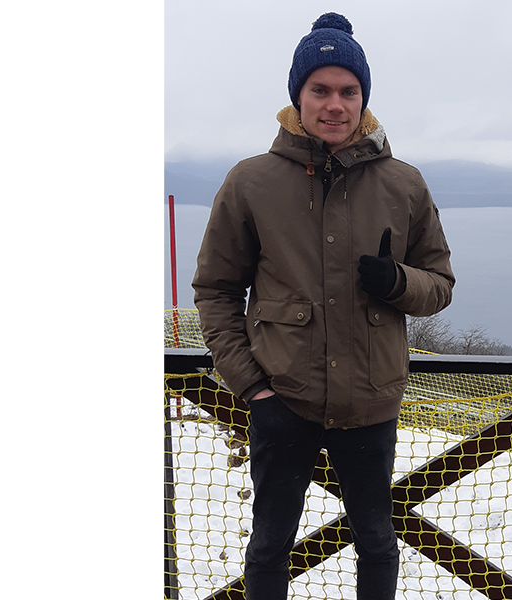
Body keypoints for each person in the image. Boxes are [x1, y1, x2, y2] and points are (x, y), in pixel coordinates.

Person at [191, 12, 455, 600]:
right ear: (298, 95)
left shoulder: (404, 184)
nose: (335, 104)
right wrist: (252, 386)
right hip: (282, 398)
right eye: (321, 90)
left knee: (378, 541)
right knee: (269, 546)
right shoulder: (251, 181)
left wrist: (396, 282)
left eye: (348, 91)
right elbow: (215, 290)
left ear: (363, 99)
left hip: (371, 399)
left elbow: (439, 283)